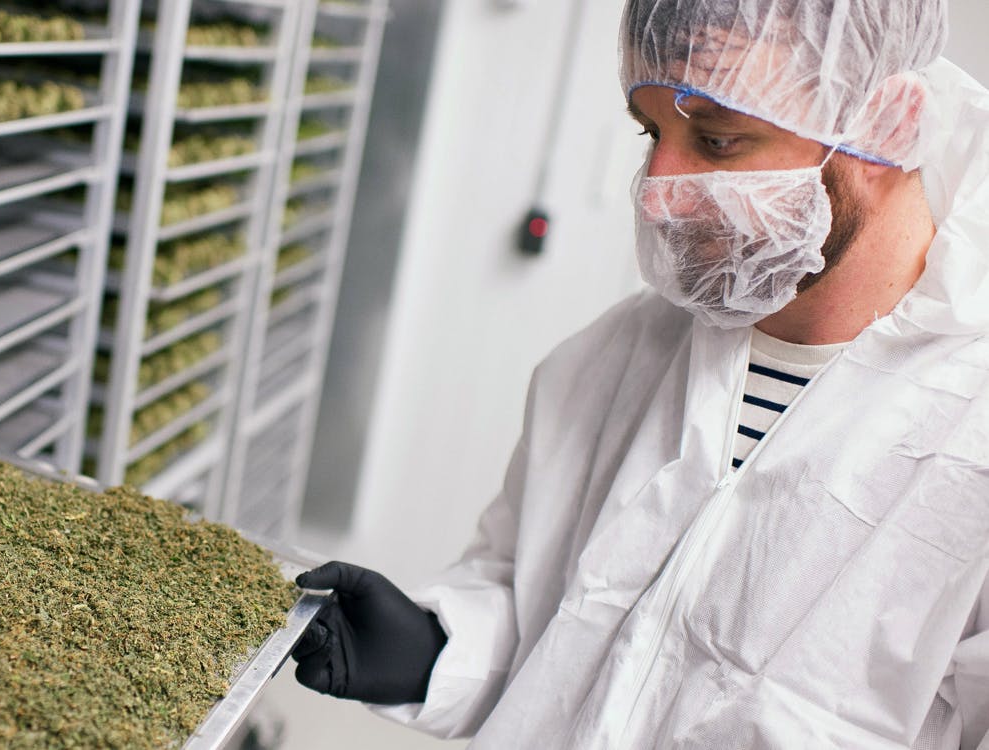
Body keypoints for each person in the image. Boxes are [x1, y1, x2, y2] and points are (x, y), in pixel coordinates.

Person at [290, 0, 989, 746]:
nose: (661, 188)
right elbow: (549, 615)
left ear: (888, 123)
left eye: (718, 139)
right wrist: (433, 653)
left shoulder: (968, 429)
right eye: (652, 132)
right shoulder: (613, 360)